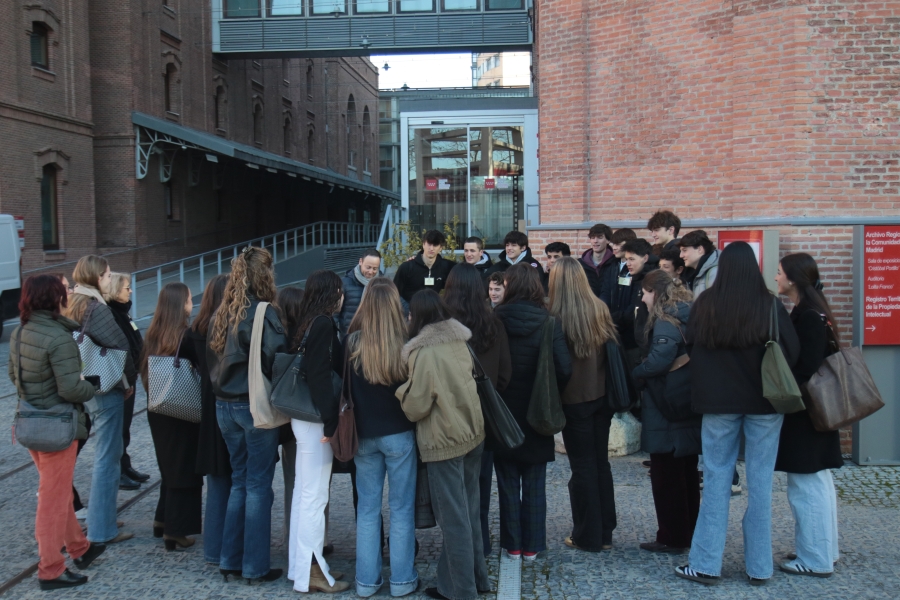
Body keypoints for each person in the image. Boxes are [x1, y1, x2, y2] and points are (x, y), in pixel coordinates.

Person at [675, 242, 800, 587]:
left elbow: (691, 346)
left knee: (716, 480)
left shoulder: (706, 303)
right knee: (760, 484)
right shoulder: (770, 304)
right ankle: (759, 567)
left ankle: (705, 564)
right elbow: (792, 351)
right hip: (765, 402)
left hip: (718, 403)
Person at [10, 275, 104, 590]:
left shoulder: (20, 332)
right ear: (55, 299)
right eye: (64, 292)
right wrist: (90, 386)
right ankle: (50, 569)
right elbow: (70, 389)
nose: (68, 295)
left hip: (30, 423)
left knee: (57, 491)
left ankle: (79, 548)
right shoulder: (59, 338)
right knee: (52, 500)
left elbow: (14, 376)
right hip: (57, 427)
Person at [397, 290, 490, 600]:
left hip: (445, 441)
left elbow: (416, 406)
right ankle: (475, 580)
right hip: (473, 433)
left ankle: (462, 591)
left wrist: (400, 392)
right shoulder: (458, 339)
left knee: (453, 520)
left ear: (418, 316)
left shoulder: (423, 352)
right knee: (469, 511)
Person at [209, 246, 286, 583]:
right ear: (265, 275)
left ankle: (230, 559)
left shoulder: (222, 311)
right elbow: (277, 360)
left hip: (223, 405)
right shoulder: (264, 312)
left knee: (239, 481)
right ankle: (254, 566)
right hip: (252, 405)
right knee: (257, 486)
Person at [493, 263, 572, 561]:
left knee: (507, 480)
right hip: (538, 409)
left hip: (502, 411)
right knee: (535, 482)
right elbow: (564, 368)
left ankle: (512, 545)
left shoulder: (495, 319)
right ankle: (533, 545)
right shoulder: (549, 322)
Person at [345, 279, 418, 597]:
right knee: (401, 508)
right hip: (399, 432)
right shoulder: (406, 342)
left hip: (363, 434)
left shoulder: (351, 342)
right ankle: (401, 581)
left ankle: (366, 582)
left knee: (367, 509)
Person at [774, 253, 843, 578]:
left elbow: (807, 368)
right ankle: (824, 551)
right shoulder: (814, 311)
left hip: (807, 414)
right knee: (817, 484)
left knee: (806, 487)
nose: (776, 277)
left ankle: (815, 558)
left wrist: (782, 390)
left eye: (779, 272)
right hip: (814, 414)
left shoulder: (809, 316)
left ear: (793, 278)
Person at [64, 255, 136, 545]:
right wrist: (129, 381)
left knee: (104, 455)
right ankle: (102, 529)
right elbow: (121, 346)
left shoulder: (73, 302)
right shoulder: (96, 307)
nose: (109, 280)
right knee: (108, 457)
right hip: (106, 389)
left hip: (84, 385)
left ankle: (101, 517)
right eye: (107, 276)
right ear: (96, 278)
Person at [547, 258, 618, 552]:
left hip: (574, 400)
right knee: (600, 463)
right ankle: (605, 532)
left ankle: (587, 534)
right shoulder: (599, 308)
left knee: (583, 467)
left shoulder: (555, 315)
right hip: (602, 396)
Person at [444, 264, 512, 558]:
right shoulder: (493, 323)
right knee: (480, 483)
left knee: (450, 486)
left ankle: (455, 549)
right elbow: (505, 374)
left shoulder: (440, 324)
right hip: (483, 412)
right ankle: (480, 542)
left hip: (446, 414)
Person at [287, 270, 348, 594]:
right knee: (314, 496)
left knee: (304, 494)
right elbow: (320, 375)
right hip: (316, 420)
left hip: (305, 419)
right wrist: (330, 421)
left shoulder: (308, 321)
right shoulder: (323, 323)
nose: (342, 296)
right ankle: (311, 571)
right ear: (330, 293)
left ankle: (302, 567)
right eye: (339, 290)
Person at [631, 270, 701, 553]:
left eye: (645, 293)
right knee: (687, 472)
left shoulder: (666, 319)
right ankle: (689, 532)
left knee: (666, 475)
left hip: (667, 403)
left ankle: (672, 536)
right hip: (686, 399)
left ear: (655, 292)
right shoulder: (689, 311)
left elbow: (660, 359)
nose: (643, 299)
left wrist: (636, 373)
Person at [140, 283, 203, 551]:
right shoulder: (186, 336)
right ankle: (175, 531)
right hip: (184, 408)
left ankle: (162, 518)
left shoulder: (153, 334)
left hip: (158, 408)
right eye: (189, 299)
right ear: (181, 305)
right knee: (184, 468)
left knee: (169, 465)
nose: (191, 303)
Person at [186, 274, 231, 565]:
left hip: (206, 405)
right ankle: (227, 547)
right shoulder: (229, 328)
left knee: (217, 482)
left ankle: (213, 549)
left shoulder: (195, 331)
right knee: (234, 481)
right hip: (228, 402)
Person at [104, 272, 149, 490]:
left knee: (125, 426)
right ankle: (119, 471)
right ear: (115, 290)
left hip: (129, 377)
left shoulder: (123, 312)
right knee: (119, 428)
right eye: (126, 288)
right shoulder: (111, 314)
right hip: (120, 379)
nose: (130, 291)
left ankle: (125, 465)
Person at [615, 238, 658, 372]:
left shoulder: (651, 281)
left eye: (632, 259)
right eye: (626, 259)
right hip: (633, 340)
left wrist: (609, 317)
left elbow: (635, 313)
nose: (628, 263)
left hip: (643, 346)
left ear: (645, 258)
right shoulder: (634, 276)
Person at [393, 230, 455, 303]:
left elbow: (463, 272)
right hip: (409, 307)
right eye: (429, 244)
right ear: (423, 244)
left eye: (435, 245)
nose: (431, 248)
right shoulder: (407, 267)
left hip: (433, 308)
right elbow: (393, 292)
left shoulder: (446, 266)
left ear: (441, 247)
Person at [339, 249, 382, 336]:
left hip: (373, 335)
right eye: (368, 267)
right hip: (349, 334)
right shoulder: (345, 283)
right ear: (360, 261)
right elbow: (335, 312)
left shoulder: (382, 283)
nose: (371, 272)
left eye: (375, 269)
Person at [599, 227, 637, 309]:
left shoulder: (636, 267)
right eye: (613, 244)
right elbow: (605, 292)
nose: (614, 247)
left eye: (618, 244)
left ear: (630, 244)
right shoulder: (611, 265)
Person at [579, 224, 616, 298]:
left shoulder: (615, 263)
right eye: (593, 237)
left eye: (600, 237)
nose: (595, 241)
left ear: (608, 240)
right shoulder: (580, 264)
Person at [679, 230, 719, 297]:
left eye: (684, 250)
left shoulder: (714, 272)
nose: (681, 255)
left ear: (700, 249)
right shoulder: (694, 272)